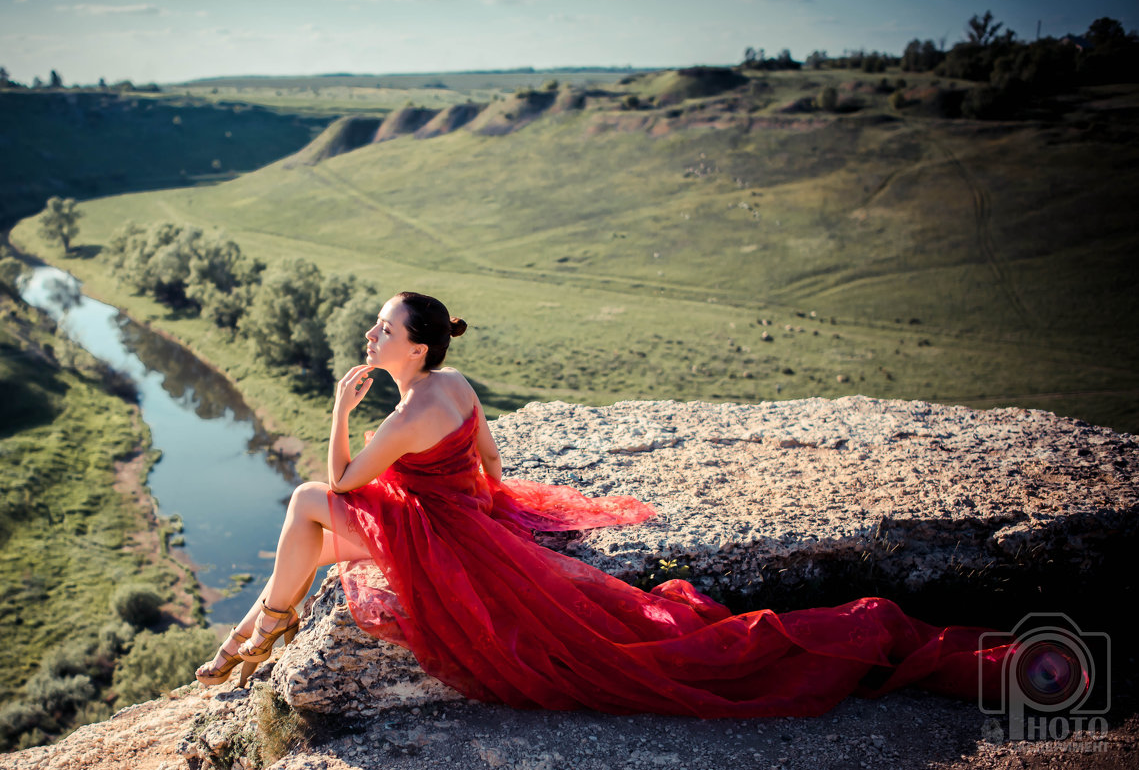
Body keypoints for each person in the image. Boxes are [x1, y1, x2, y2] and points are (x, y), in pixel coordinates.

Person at [197, 291, 1009, 716]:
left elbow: (342, 484)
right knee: (313, 523)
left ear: (413, 345)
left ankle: (262, 626)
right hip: (456, 519)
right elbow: (488, 459)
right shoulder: (455, 384)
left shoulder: (407, 409)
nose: (371, 337)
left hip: (438, 530)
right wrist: (473, 502)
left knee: (307, 497)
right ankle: (262, 627)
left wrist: (342, 409)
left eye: (381, 330)